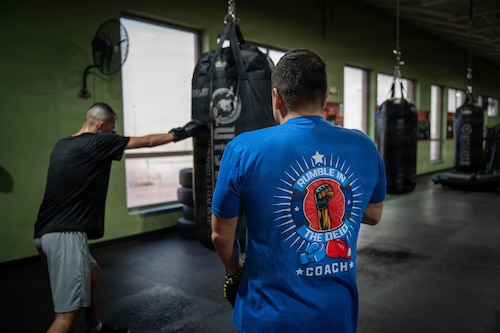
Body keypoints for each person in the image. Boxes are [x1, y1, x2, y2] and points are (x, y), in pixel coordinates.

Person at [211, 49, 386, 332]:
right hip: (336, 312)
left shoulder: (243, 148)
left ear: (277, 97)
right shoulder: (364, 145)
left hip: (267, 313)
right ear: (325, 96)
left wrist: (234, 274)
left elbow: (221, 236)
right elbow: (374, 213)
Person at [34, 102, 206, 333]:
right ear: (101, 125)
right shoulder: (97, 141)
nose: (114, 134)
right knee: (65, 317)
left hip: (45, 232)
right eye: (112, 129)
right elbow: (147, 141)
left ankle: (95, 327)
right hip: (66, 234)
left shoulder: (62, 144)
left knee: (91, 273)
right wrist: (182, 133)